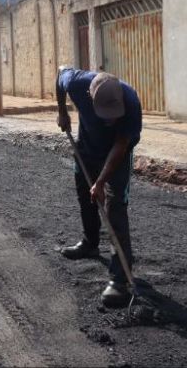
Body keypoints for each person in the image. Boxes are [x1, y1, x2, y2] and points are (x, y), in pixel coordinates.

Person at [56, 67, 142, 308]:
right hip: (87, 146)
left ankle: (119, 279)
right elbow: (59, 75)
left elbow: (122, 144)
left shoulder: (132, 102)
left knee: (114, 207)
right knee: (85, 194)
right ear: (88, 97)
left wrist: (101, 181)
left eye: (114, 114)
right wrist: (62, 111)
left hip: (117, 153)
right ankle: (89, 243)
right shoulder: (75, 82)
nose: (110, 120)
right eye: (105, 114)